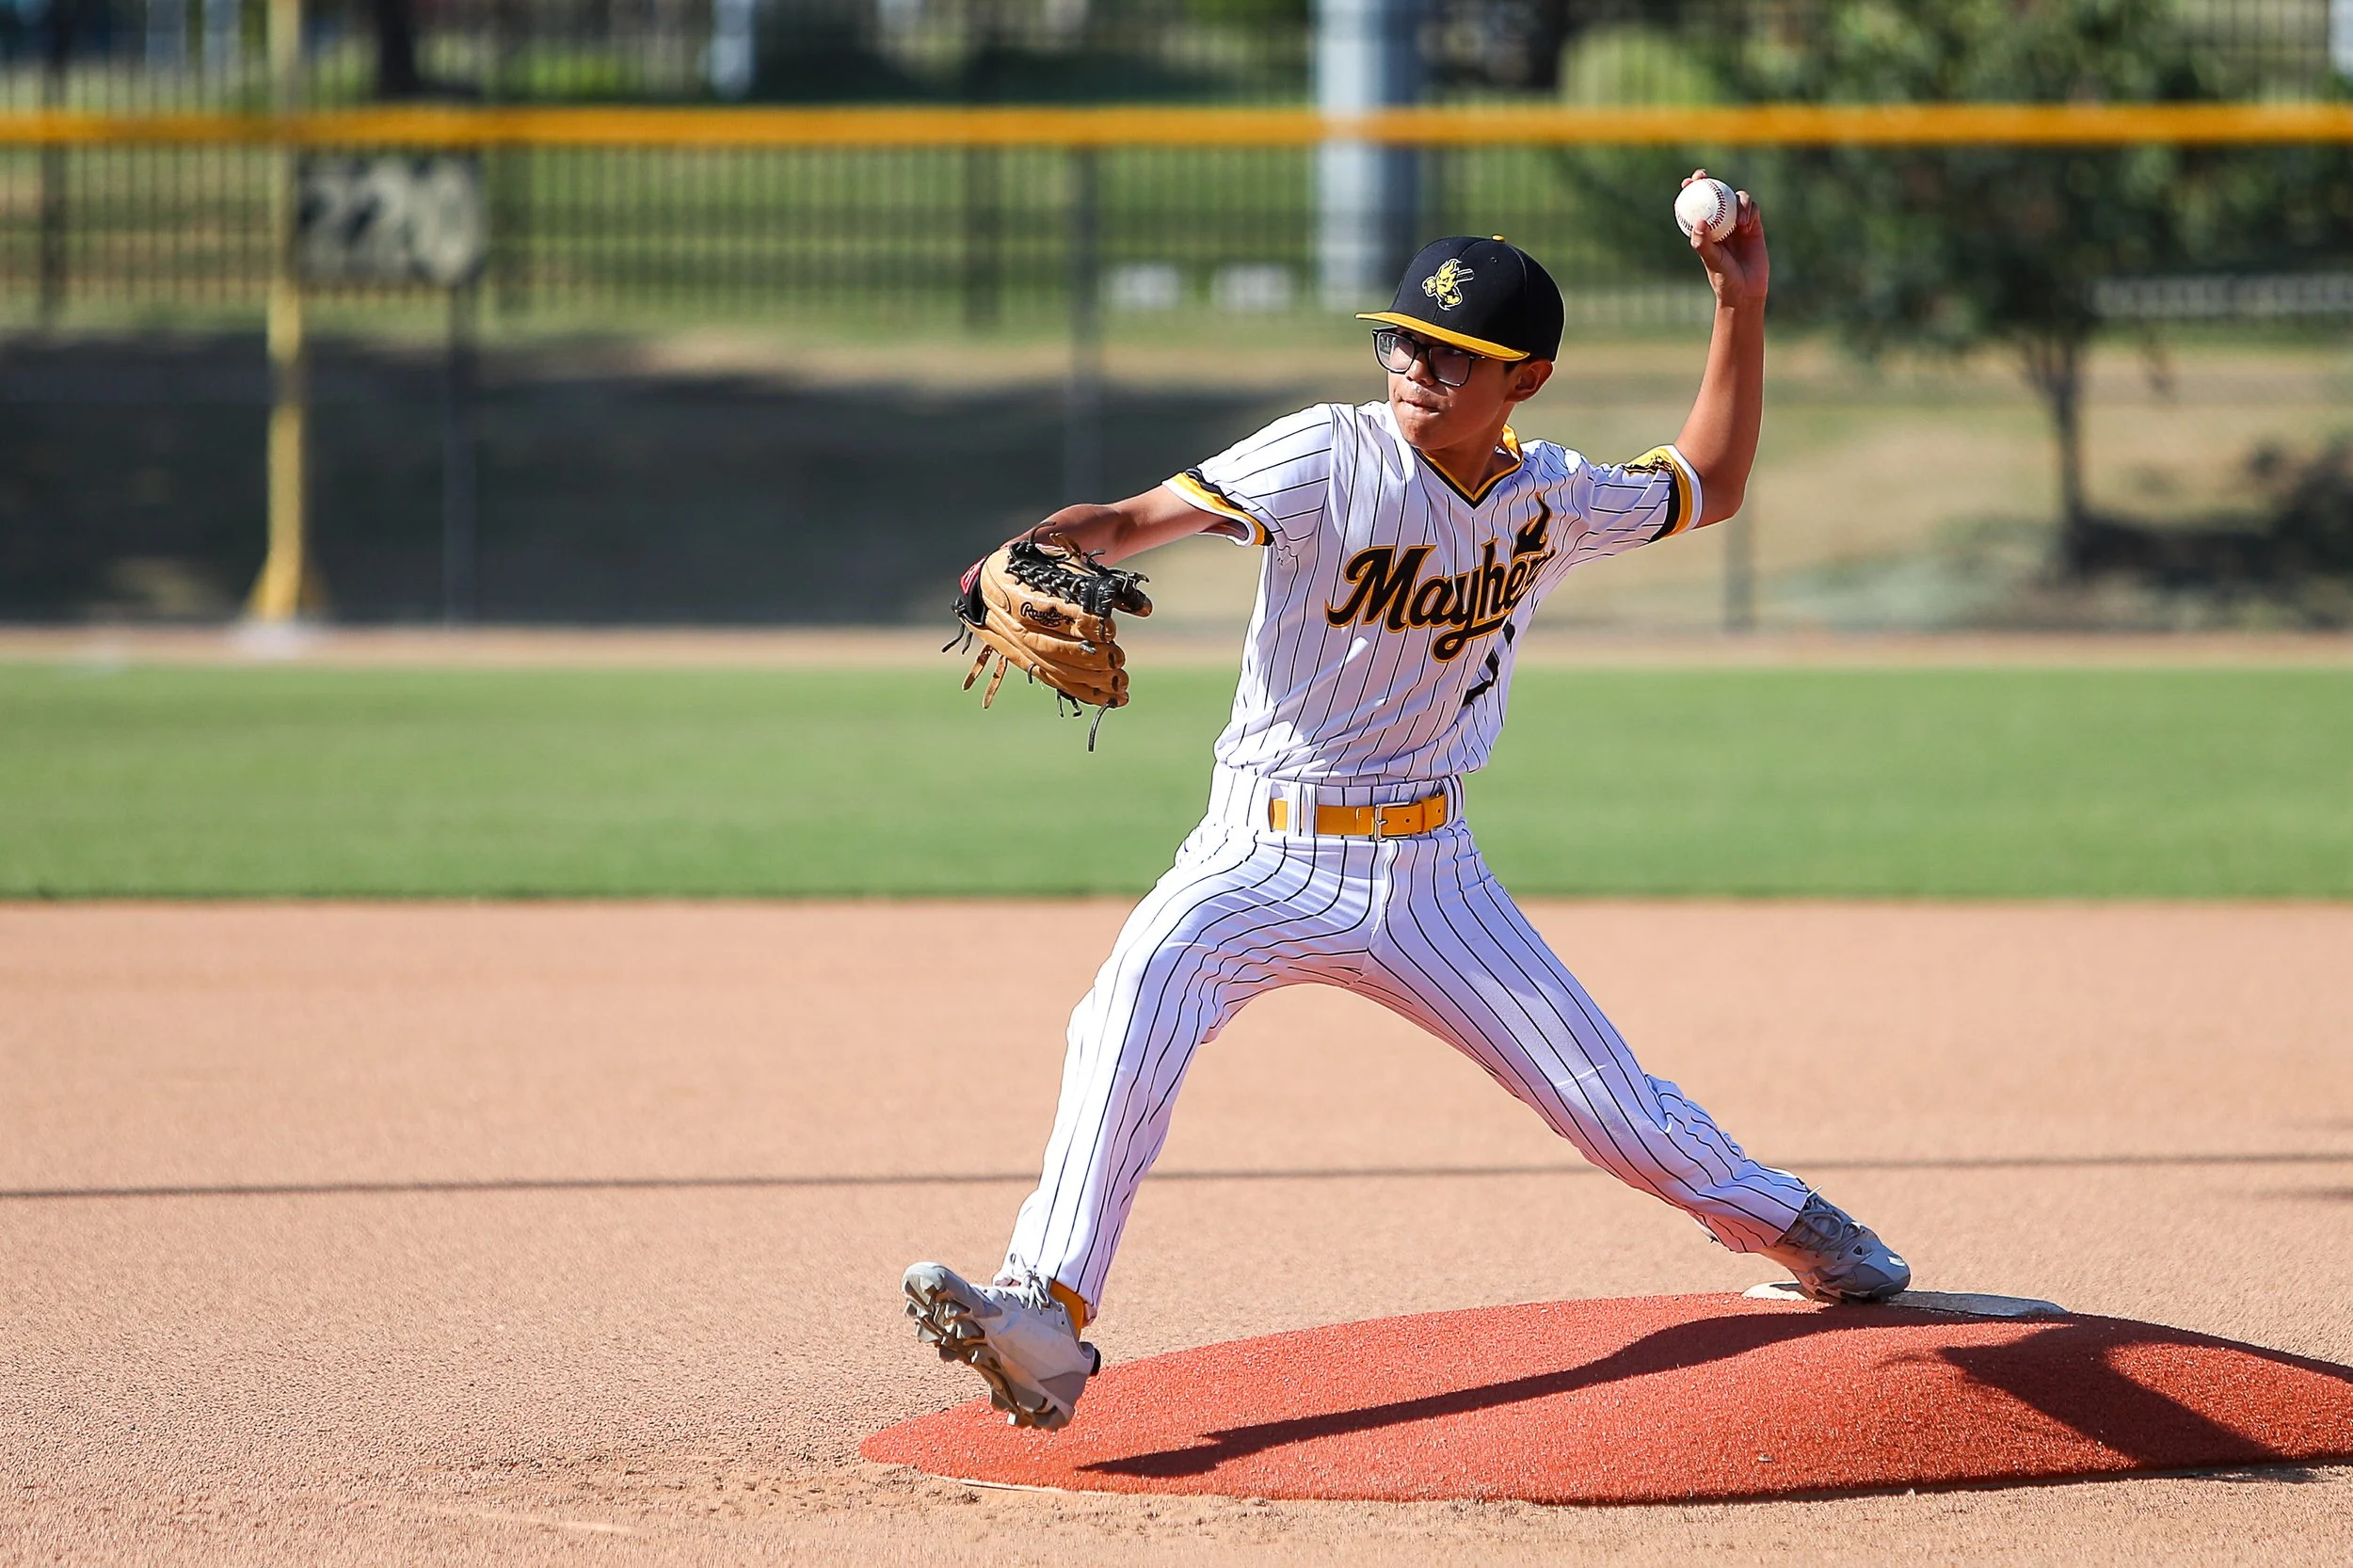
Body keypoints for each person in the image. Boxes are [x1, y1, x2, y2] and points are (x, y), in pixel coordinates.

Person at [904, 174, 1910, 1432]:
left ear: (1524, 380)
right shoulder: (1324, 452)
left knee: (1613, 1114)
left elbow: (1710, 478)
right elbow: (1125, 518)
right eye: (1404, 341)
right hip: (1254, 852)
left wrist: (1737, 303)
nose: (1418, 368)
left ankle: (1803, 1228)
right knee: (1126, 1009)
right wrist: (1029, 550)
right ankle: (1044, 1314)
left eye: (1454, 354)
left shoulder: (1551, 494)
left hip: (1433, 874)